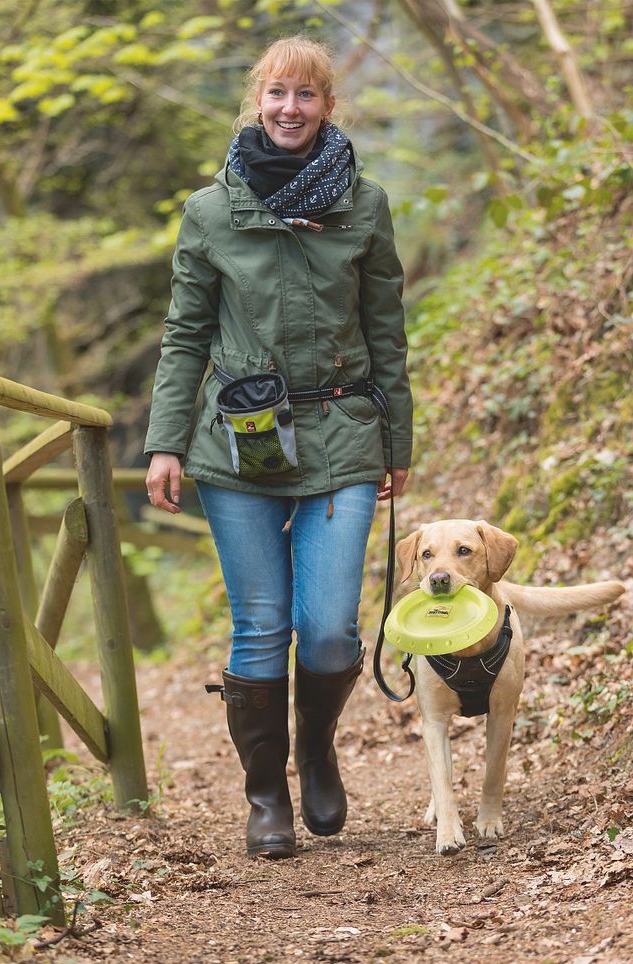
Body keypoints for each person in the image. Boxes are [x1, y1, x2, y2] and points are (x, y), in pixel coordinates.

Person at [144, 36, 413, 859]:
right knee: (260, 624)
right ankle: (267, 796)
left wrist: (396, 437)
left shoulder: (363, 206)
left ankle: (317, 747)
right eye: (275, 93)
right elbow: (185, 334)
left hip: (341, 434)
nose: (289, 108)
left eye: (306, 95)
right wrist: (165, 443)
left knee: (329, 628)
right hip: (239, 444)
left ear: (329, 106)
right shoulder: (211, 210)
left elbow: (386, 332)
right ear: (256, 102)